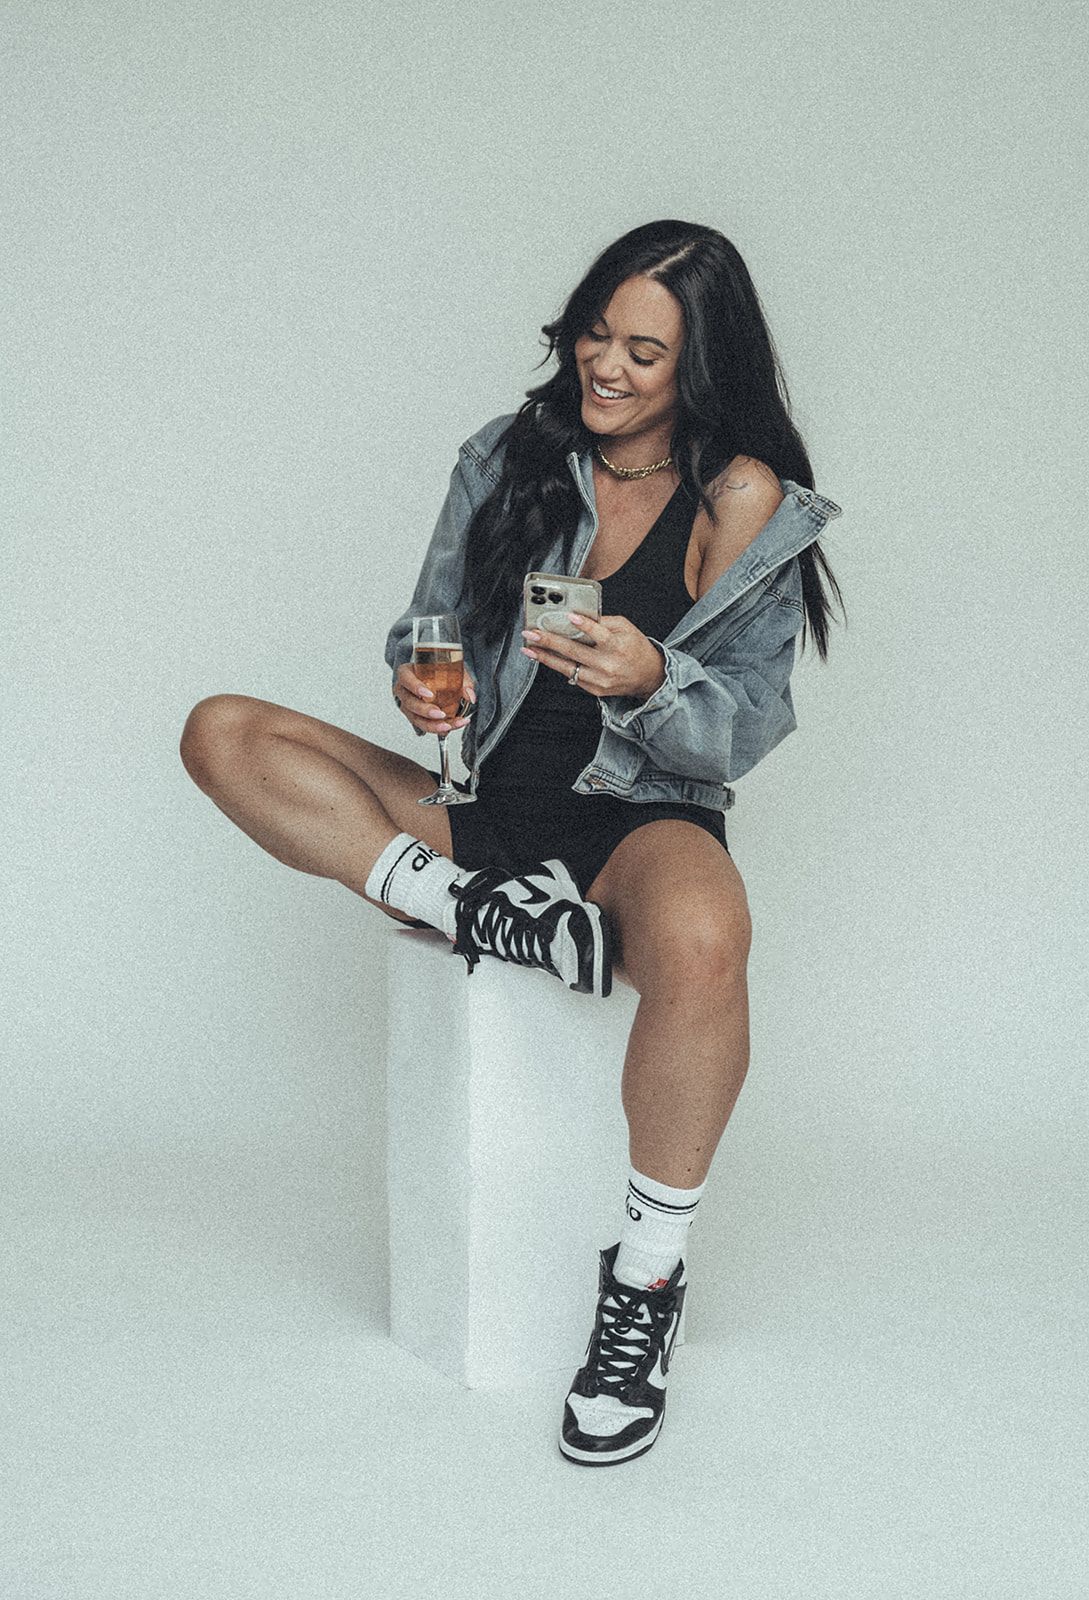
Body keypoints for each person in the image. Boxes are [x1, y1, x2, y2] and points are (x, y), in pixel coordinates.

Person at [179, 218, 845, 1468]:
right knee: (223, 731)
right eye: (597, 332)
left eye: (644, 351)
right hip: (479, 806)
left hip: (636, 819)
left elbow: (747, 726)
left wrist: (652, 676)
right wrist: (422, 683)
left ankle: (644, 1284)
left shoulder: (740, 497)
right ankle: (465, 905)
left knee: (710, 936)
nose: (607, 365)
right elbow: (425, 624)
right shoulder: (506, 454)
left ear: (700, 365)